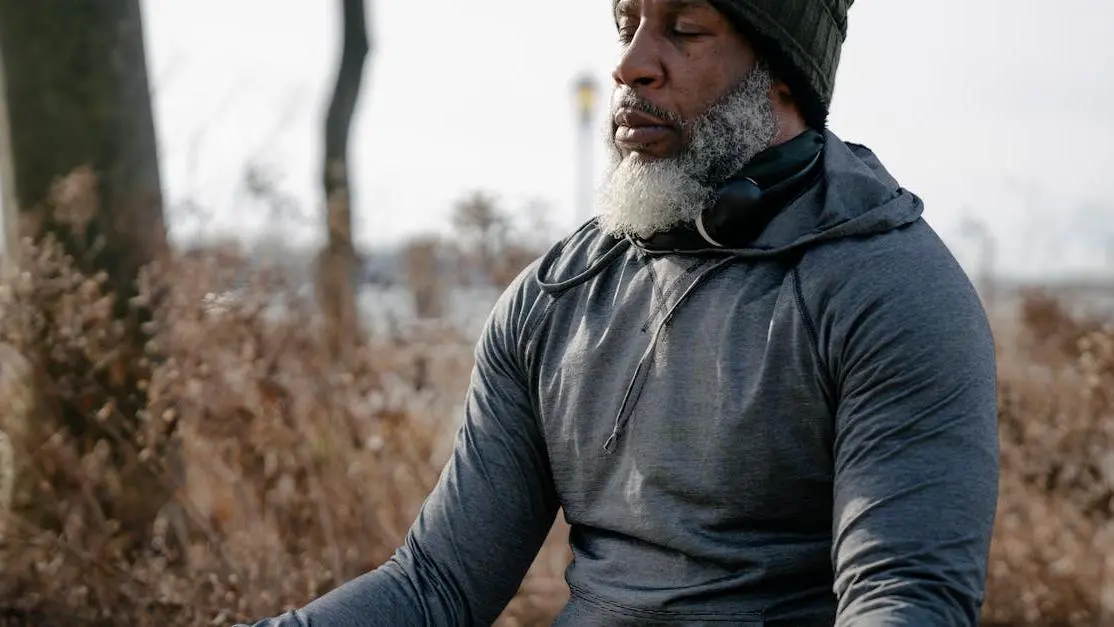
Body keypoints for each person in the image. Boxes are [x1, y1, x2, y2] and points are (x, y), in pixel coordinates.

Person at [242, 0, 1000, 624]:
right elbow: (435, 585)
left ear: (781, 75)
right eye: (626, 21)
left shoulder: (892, 293)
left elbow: (904, 603)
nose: (631, 64)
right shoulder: (555, 297)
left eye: (685, 29)